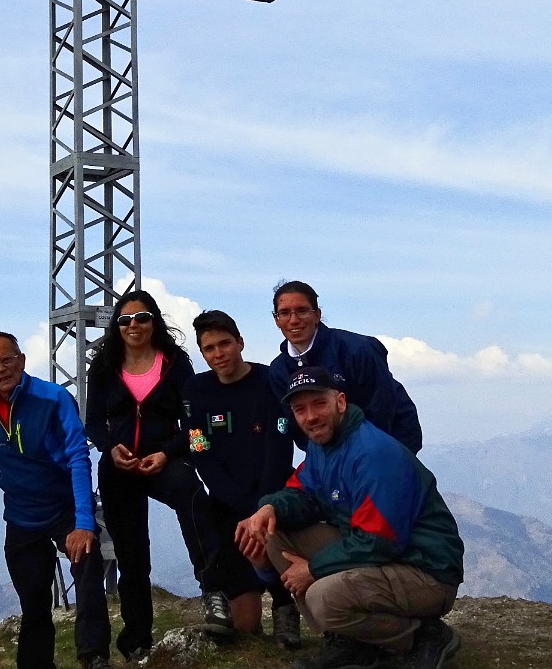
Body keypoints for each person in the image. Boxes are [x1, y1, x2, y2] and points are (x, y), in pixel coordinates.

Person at [238, 369, 464, 669]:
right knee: (273, 531)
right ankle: (350, 640)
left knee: (322, 597)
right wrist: (269, 508)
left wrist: (314, 569)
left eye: (319, 404)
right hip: (385, 555)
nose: (310, 417)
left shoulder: (373, 454)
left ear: (340, 402)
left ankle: (423, 635)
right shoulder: (323, 446)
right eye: (300, 409)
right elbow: (303, 494)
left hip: (426, 571)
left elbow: (378, 542)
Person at [0, 331, 111, 669]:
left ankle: (93, 656)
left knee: (87, 568)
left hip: (64, 508)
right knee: (34, 601)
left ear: (22, 360)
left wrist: (84, 524)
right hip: (21, 517)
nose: (0, 368)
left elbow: (78, 457)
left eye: (7, 359)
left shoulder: (53, 398)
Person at [84, 290, 236, 654]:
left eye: (142, 318)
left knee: (195, 501)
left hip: (164, 458)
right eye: (125, 320)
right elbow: (92, 424)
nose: (133, 325)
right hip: (119, 464)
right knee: (132, 552)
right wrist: (110, 448)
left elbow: (193, 422)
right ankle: (137, 639)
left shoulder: (175, 362)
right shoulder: (103, 365)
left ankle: (213, 592)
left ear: (155, 321)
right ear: (117, 326)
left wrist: (168, 453)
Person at [183, 309, 302, 648]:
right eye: (209, 348)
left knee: (273, 542)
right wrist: (236, 503)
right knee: (246, 628)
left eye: (225, 344)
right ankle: (223, 594)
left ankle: (284, 606)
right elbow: (199, 449)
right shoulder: (195, 391)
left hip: (271, 497)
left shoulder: (269, 382)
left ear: (240, 342)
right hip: (227, 503)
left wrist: (260, 505)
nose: (218, 354)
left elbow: (279, 448)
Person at [266, 280, 423, 454]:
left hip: (390, 443)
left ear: (317, 315)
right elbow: (297, 425)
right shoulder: (279, 370)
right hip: (332, 453)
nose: (294, 320)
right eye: (285, 313)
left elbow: (382, 408)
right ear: (276, 320)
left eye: (302, 311)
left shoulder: (357, 350)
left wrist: (372, 457)